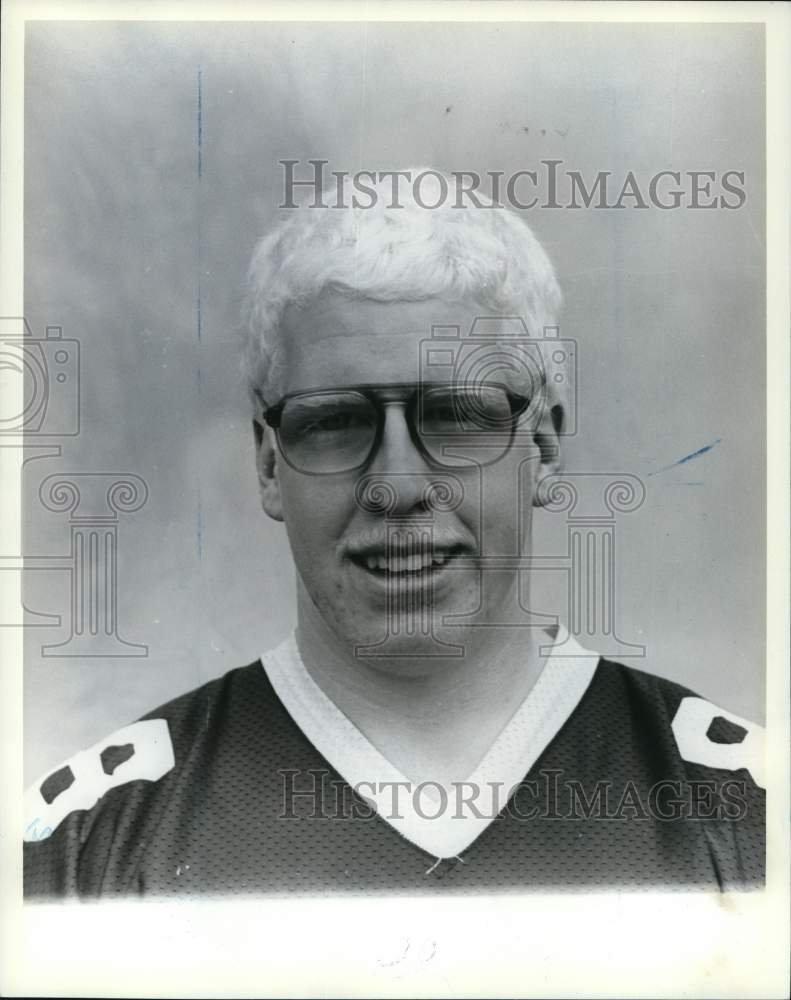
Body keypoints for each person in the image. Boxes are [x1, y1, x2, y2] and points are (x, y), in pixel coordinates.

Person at [24, 172, 765, 897]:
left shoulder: (749, 809)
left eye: (453, 413)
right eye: (336, 421)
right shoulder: (92, 843)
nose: (398, 485)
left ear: (541, 447)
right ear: (267, 463)